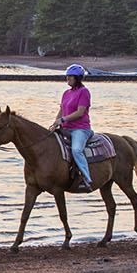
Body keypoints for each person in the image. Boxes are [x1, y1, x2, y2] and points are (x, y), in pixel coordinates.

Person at [53, 64, 94, 192]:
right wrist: (55, 122)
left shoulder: (84, 92)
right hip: (65, 128)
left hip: (80, 129)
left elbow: (80, 112)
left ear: (78, 78)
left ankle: (86, 179)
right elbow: (62, 110)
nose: (68, 79)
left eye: (71, 77)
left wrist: (63, 119)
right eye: (67, 76)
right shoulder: (66, 93)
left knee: (76, 150)